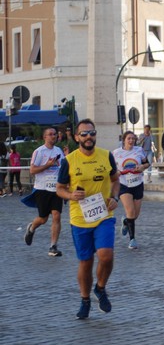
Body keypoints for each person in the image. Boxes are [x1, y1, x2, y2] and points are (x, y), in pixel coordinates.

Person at [56, 119, 120, 320]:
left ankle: (100, 288)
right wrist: (70, 195)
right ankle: (85, 299)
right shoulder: (69, 161)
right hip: (80, 218)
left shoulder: (106, 156)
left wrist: (115, 197)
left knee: (106, 256)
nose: (88, 137)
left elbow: (116, 179)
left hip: (103, 215)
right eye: (83, 134)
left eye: (91, 133)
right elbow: (59, 189)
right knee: (86, 262)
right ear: (77, 138)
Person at [24, 127, 65, 256]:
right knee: (43, 219)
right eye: (50, 134)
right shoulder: (39, 152)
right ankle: (31, 228)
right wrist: (47, 165)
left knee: (57, 215)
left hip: (56, 188)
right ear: (45, 137)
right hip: (42, 188)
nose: (54, 136)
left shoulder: (58, 150)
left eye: (55, 134)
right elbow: (32, 170)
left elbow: (62, 167)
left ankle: (53, 246)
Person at [113, 130, 150, 250]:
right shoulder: (116, 153)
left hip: (138, 183)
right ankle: (132, 239)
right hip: (124, 185)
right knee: (130, 211)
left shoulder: (139, 150)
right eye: (129, 138)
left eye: (133, 139)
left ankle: (125, 222)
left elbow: (147, 163)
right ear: (124, 140)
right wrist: (116, 173)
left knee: (135, 214)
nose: (131, 141)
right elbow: (111, 170)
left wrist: (142, 167)